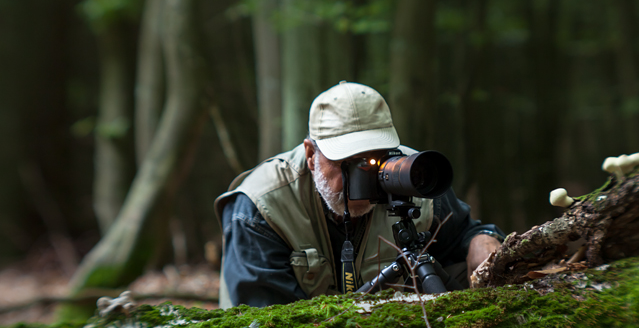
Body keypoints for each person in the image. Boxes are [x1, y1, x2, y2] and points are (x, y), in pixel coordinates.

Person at [214, 81, 504, 308]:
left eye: (375, 159)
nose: (365, 176)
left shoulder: (411, 176)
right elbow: (264, 325)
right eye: (349, 163)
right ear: (311, 154)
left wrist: (481, 240)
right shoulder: (262, 205)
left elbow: (464, 235)